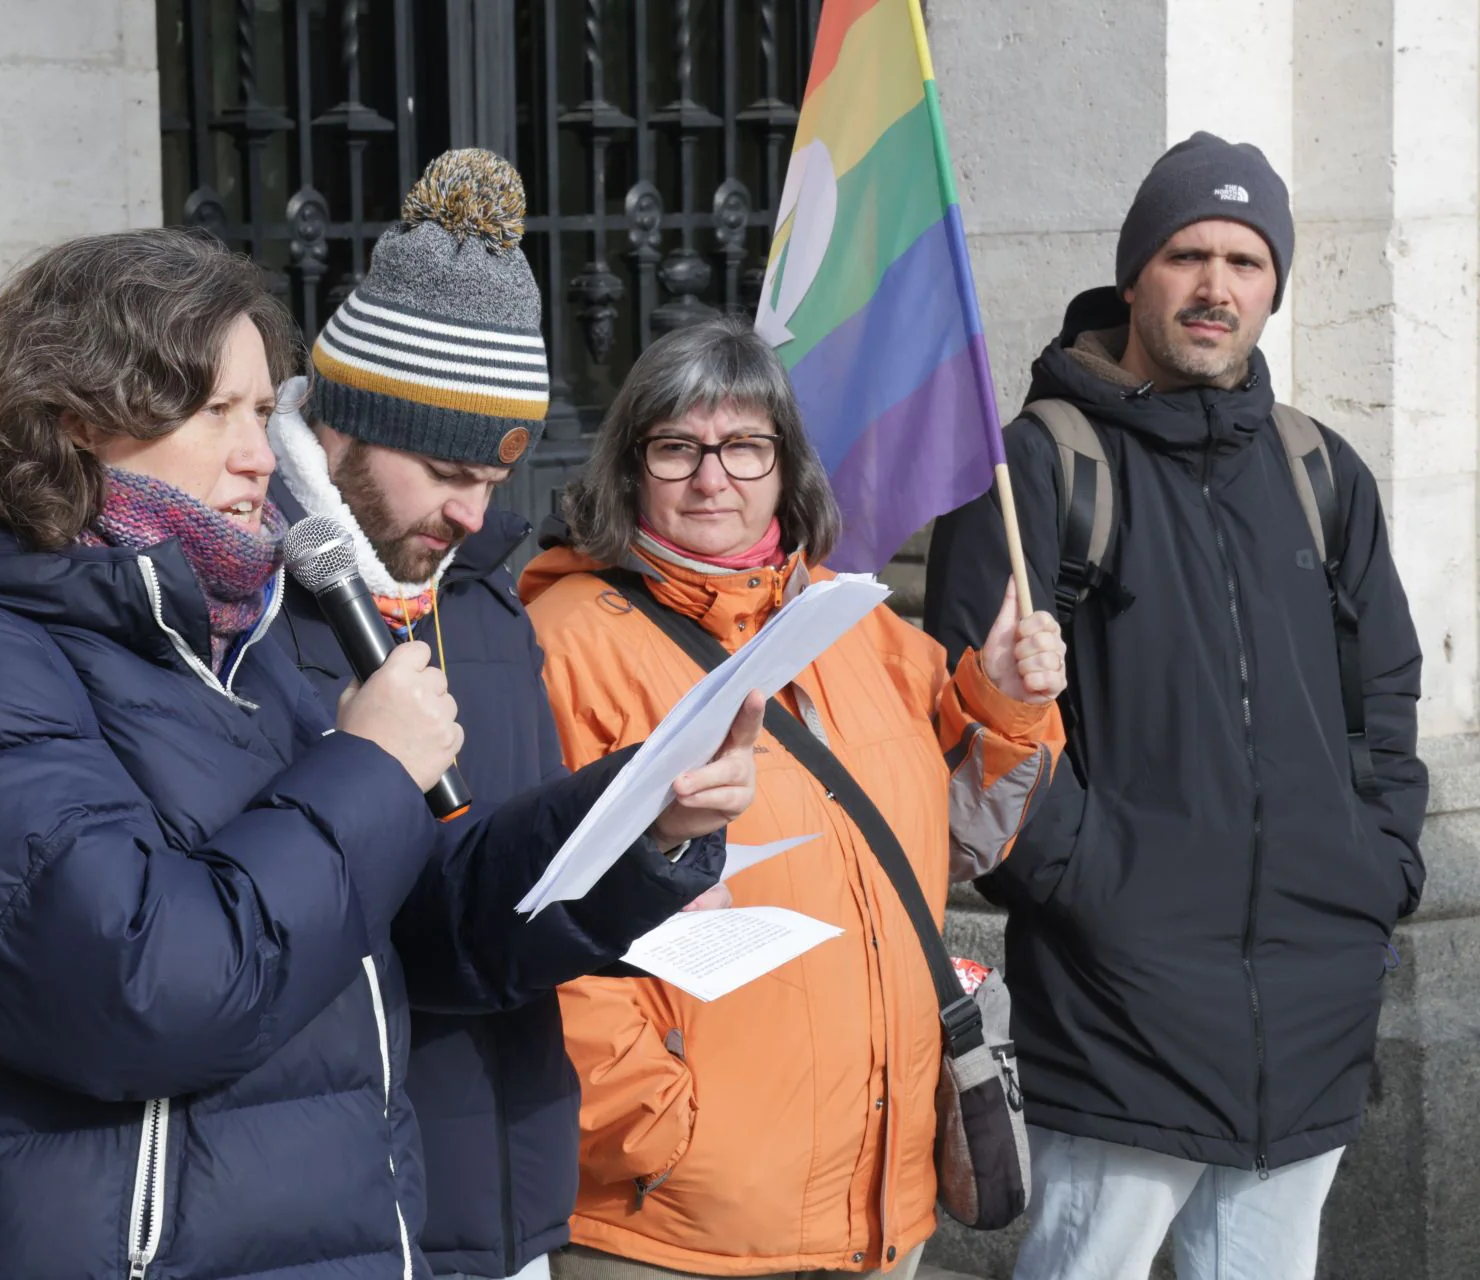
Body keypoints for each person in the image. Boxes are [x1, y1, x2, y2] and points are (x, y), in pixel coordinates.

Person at [0, 227, 762, 1280]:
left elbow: (384, 921)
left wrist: (634, 824)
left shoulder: (216, 627)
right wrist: (369, 766)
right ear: (80, 414)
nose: (260, 453)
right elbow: (140, 982)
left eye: (261, 410)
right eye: (216, 412)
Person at [924, 133, 1429, 1280]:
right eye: (1188, 255)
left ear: (1274, 287)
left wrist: (1379, 867)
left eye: (1246, 263)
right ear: (1135, 272)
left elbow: (1385, 696)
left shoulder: (1323, 472)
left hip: (1308, 1010)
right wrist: (1089, 880)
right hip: (1119, 1016)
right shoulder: (1036, 471)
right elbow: (964, 732)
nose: (1216, 288)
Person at [519, 315, 1068, 1280]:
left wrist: (1007, 708)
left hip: (879, 1213)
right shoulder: (561, 644)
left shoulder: (862, 630)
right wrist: (654, 1131)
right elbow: (526, 914)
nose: (711, 477)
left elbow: (964, 841)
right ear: (630, 466)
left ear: (785, 467)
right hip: (684, 1222)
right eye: (678, 447)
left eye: (743, 447)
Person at [268, 148, 679, 1280]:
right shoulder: (251, 597)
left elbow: (487, 901)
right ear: (342, 424)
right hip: (340, 1201)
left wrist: (653, 834)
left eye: (494, 478)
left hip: (506, 1193)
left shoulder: (491, 599)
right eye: (447, 467)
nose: (471, 510)